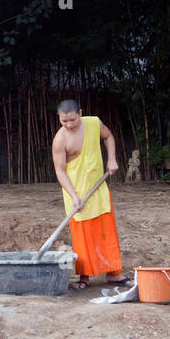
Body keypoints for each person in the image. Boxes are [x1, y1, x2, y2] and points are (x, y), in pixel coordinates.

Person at [51, 100, 131, 290]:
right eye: (64, 121)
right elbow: (60, 171)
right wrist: (74, 196)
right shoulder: (60, 140)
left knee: (106, 231)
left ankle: (114, 273)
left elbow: (109, 137)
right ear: (59, 119)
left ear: (80, 112)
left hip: (98, 188)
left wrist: (111, 159)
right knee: (83, 236)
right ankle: (84, 276)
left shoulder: (94, 123)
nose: (69, 125)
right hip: (76, 193)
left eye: (72, 120)